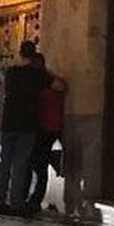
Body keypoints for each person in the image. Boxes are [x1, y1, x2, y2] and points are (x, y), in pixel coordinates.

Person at [0, 40, 49, 216]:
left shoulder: (11, 72)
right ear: (34, 55)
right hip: (27, 125)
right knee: (20, 164)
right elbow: (59, 85)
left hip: (9, 123)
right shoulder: (38, 75)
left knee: (4, 162)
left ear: (20, 53)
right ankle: (16, 202)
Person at [26, 53, 67, 215]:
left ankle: (34, 199)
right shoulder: (50, 82)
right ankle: (34, 198)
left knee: (37, 164)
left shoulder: (44, 82)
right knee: (39, 164)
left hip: (45, 128)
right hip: (50, 127)